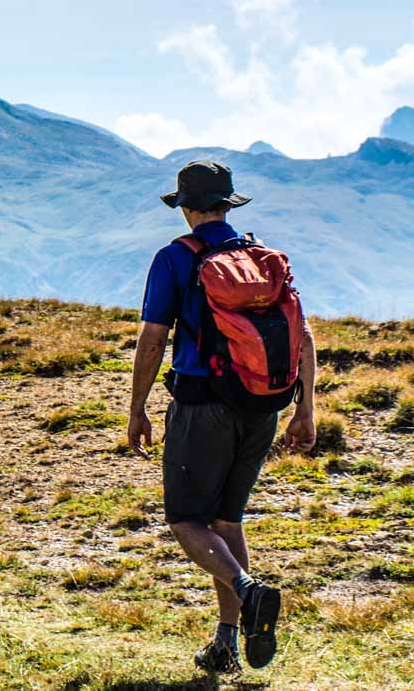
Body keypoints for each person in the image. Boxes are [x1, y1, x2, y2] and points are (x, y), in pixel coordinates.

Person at [125, 159, 317, 674]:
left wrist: (138, 406)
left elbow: (152, 340)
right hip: (264, 406)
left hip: (202, 406)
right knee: (227, 521)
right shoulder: (262, 260)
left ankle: (247, 592)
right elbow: (303, 335)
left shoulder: (175, 259)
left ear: (185, 207)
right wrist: (306, 408)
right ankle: (226, 642)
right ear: (228, 205)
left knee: (187, 520)